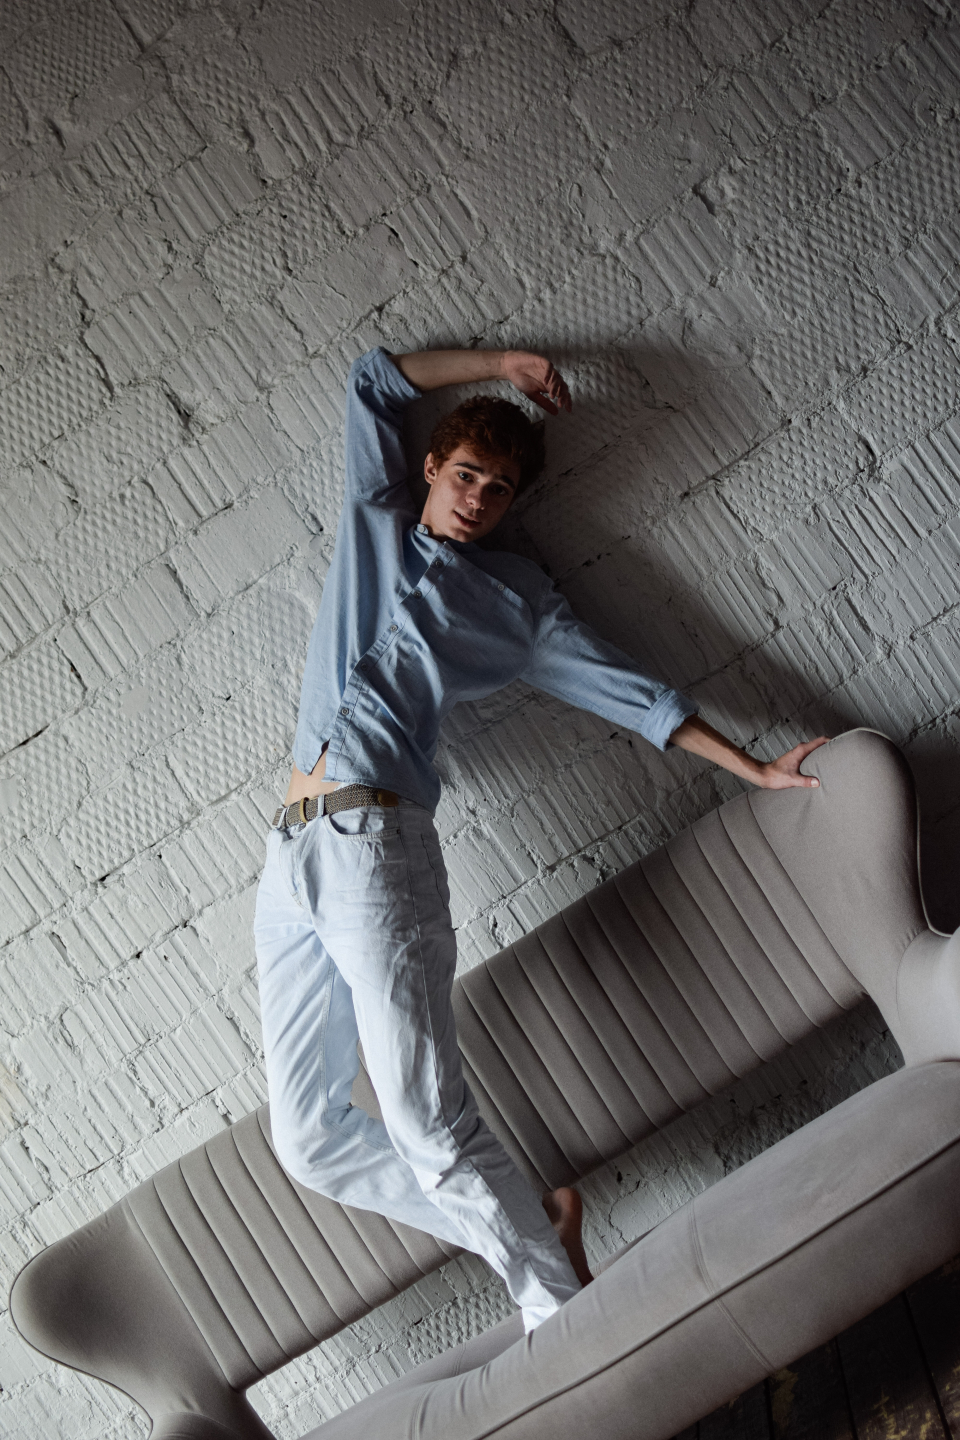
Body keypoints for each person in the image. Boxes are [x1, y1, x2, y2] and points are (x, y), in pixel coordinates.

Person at [253, 346, 827, 1333]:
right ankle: (535, 1233)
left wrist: (755, 768)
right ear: (432, 468)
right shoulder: (373, 519)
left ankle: (568, 1332)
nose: (479, 498)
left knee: (426, 1119)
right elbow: (374, 382)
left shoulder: (514, 602)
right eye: (467, 474)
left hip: (377, 854)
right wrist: (503, 364)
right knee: (308, 1140)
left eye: (500, 489)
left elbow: (633, 693)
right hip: (289, 858)